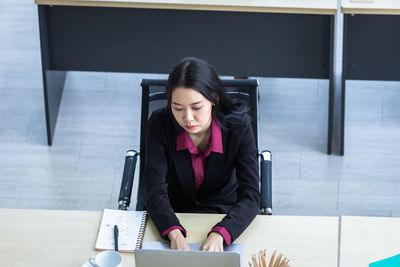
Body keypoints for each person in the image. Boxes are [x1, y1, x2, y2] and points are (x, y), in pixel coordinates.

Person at [143, 57, 260, 252]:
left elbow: (251, 196)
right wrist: (173, 233)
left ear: (214, 99)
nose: (187, 118)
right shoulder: (159, 123)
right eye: (177, 108)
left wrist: (222, 232)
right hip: (174, 212)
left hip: (224, 212)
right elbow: (153, 189)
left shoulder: (238, 126)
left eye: (196, 107)